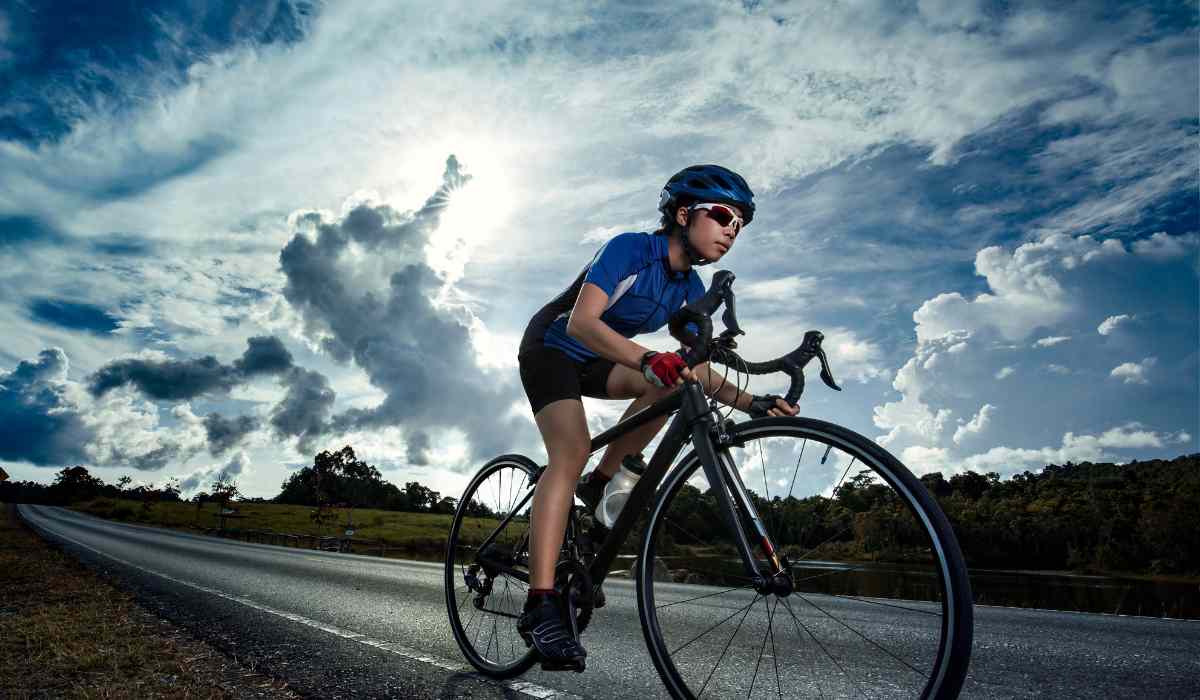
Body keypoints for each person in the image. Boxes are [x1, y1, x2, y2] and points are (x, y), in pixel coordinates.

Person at [515, 164, 800, 670]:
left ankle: (600, 484)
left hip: (603, 358)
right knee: (572, 449)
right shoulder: (630, 249)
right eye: (723, 216)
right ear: (684, 213)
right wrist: (648, 357)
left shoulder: (689, 286)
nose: (732, 229)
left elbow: (700, 371)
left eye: (741, 223)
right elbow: (582, 322)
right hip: (553, 347)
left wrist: (754, 402)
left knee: (677, 381)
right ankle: (540, 605)